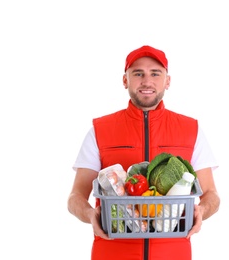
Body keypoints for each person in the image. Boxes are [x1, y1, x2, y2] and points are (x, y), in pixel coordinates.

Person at [67, 45, 220, 260]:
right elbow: (75, 197)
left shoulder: (191, 130)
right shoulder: (100, 130)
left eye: (155, 73)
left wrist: (202, 211)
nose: (147, 81)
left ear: (167, 81)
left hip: (173, 253)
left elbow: (211, 194)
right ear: (125, 80)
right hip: (112, 252)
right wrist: (89, 214)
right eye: (138, 73)